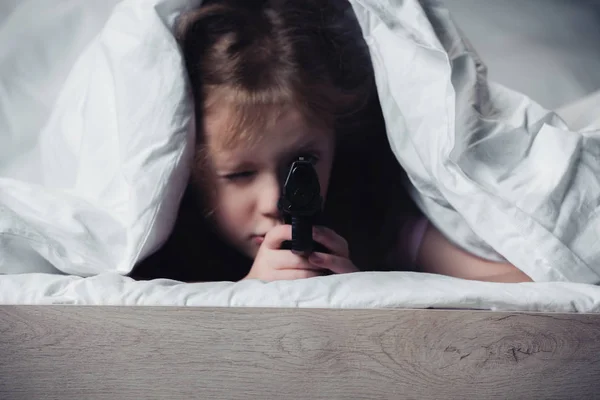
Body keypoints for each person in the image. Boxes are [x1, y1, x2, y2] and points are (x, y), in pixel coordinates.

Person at [131, 0, 532, 284]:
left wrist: (369, 289)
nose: (275, 201)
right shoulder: (156, 254)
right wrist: (247, 296)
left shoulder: (378, 221)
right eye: (239, 174)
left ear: (336, 140)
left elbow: (533, 284)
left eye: (303, 161)